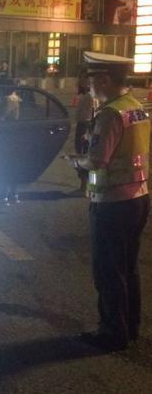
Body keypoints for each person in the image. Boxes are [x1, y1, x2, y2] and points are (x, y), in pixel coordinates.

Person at [67, 54, 150, 352]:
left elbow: (97, 160)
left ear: (103, 80)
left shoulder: (110, 114)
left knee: (108, 270)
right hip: (139, 197)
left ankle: (112, 332)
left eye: (90, 79)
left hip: (112, 202)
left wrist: (76, 161)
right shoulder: (136, 108)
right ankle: (130, 326)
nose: (87, 85)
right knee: (128, 267)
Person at [73, 73, 97, 193]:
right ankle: (86, 187)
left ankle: (85, 187)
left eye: (82, 80)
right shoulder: (84, 95)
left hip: (85, 126)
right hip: (82, 125)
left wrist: (87, 131)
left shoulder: (89, 96)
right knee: (82, 156)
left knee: (84, 157)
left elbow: (93, 115)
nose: (79, 82)